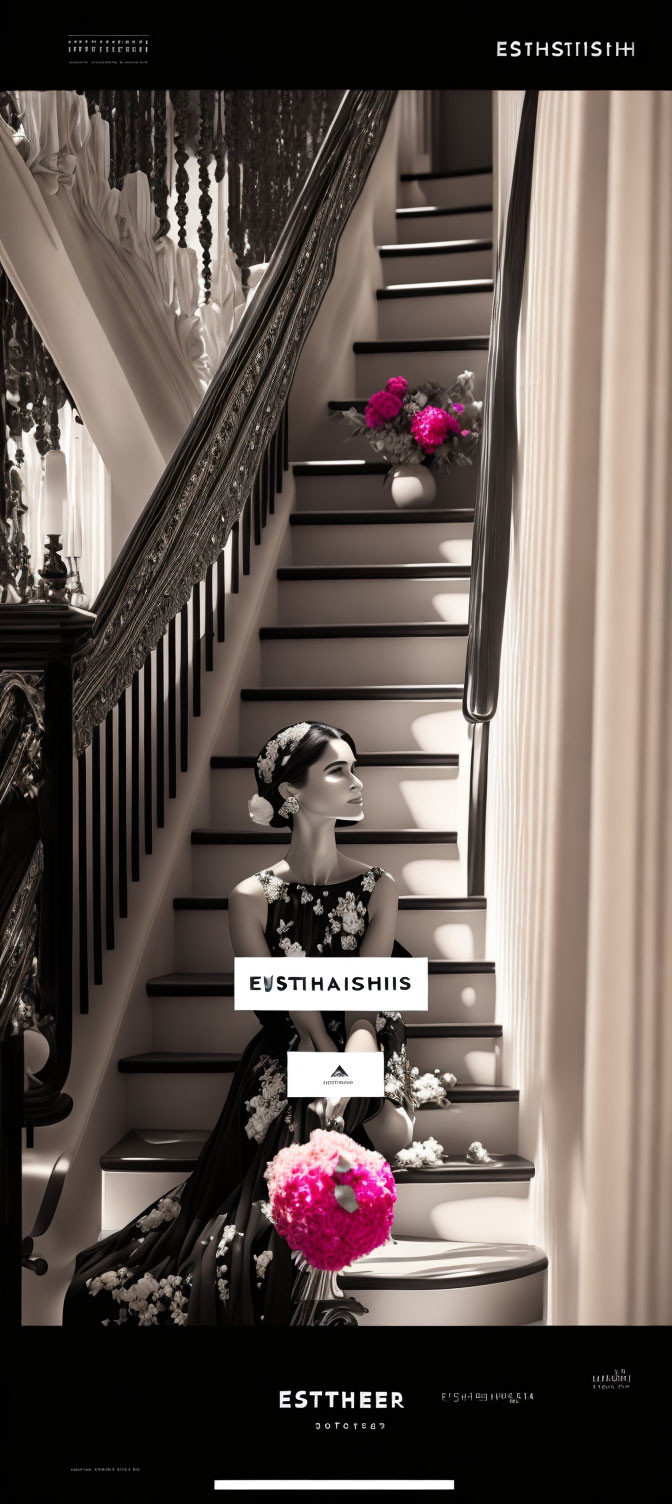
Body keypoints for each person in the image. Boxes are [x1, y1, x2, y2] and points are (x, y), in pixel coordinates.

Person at [61, 721, 415, 1327]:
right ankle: (303, 1249)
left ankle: (327, 1214)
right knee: (298, 1120)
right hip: (292, 1036)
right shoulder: (249, 897)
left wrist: (350, 1072)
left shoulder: (380, 887)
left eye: (355, 768)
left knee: (377, 1124)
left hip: (365, 1031)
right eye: (338, 770)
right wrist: (324, 1069)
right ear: (292, 792)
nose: (358, 783)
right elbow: (290, 1013)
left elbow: (365, 1000)